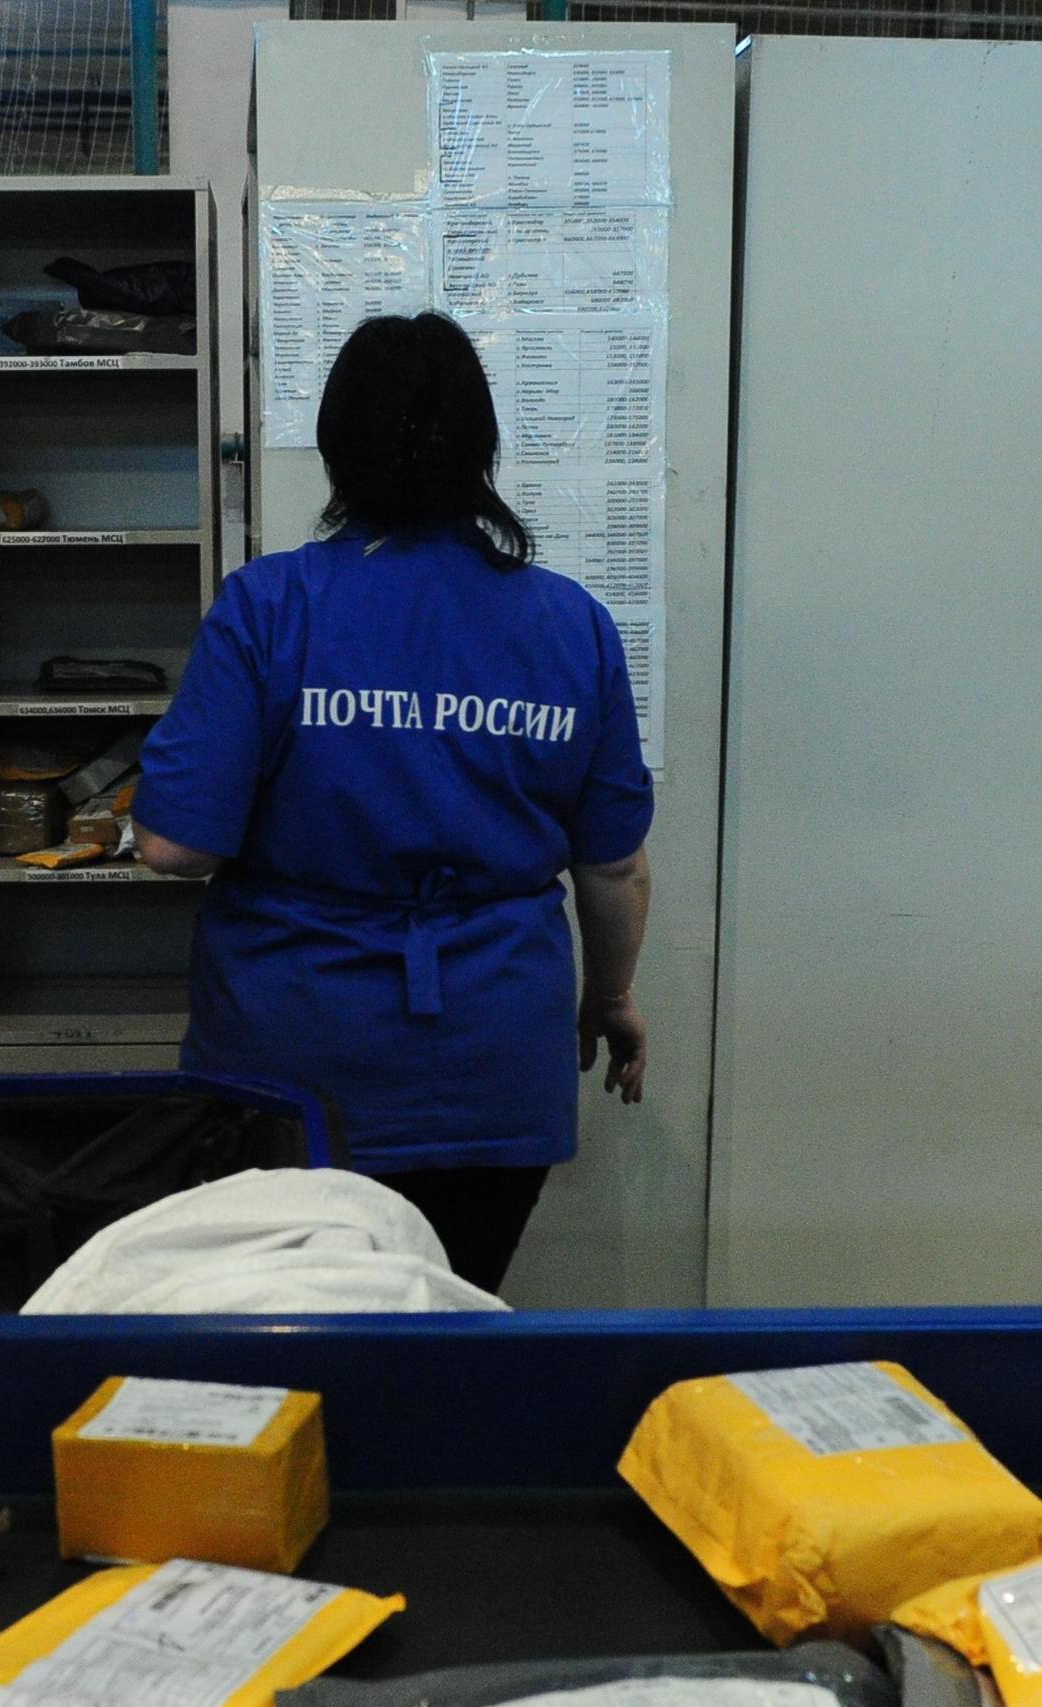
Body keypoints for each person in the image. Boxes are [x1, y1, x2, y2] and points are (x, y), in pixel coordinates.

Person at [133, 311, 653, 1293]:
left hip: (293, 1057)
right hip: (492, 1058)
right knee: (447, 1327)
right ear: (481, 450)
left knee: (290, 1341)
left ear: (336, 446)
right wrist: (610, 998)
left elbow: (173, 847)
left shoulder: (270, 606)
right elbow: (614, 862)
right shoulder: (570, 623)